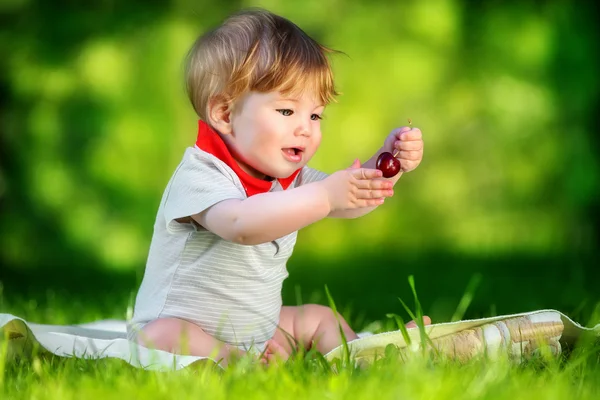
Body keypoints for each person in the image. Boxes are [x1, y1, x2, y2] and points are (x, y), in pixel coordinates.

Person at [127, 8, 428, 367]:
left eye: (315, 115)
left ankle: (372, 358)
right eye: (287, 111)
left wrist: (387, 163)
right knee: (160, 336)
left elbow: (348, 202)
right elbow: (240, 225)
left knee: (319, 318)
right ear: (224, 113)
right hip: (184, 329)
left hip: (256, 330)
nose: (305, 128)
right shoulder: (201, 174)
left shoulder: (292, 181)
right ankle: (233, 359)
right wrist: (325, 195)